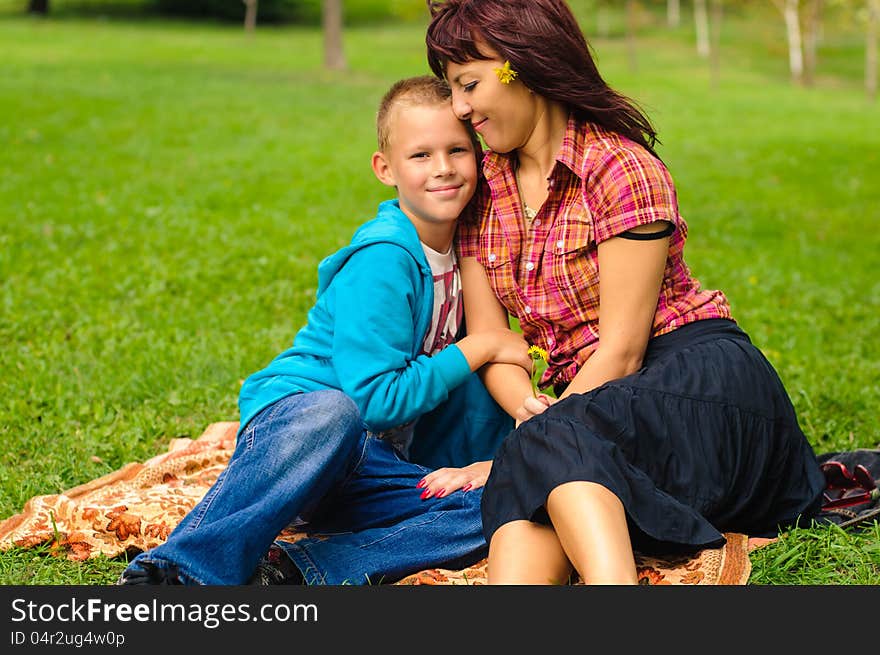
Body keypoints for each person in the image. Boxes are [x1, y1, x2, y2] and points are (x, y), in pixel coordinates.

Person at [420, 0, 826, 584]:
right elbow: (493, 340)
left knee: (541, 446)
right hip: (595, 406)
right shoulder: (482, 190)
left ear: (522, 64)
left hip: (691, 376)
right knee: (535, 467)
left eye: (469, 85)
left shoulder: (617, 168)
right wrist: (527, 412)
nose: (460, 109)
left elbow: (623, 349)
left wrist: (537, 430)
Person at [116, 75, 532, 586]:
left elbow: (464, 397)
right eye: (420, 155)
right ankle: (178, 572)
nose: (442, 168)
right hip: (301, 441)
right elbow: (376, 401)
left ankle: (301, 569)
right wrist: (479, 346)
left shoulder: (468, 256)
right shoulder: (385, 258)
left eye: (457, 151)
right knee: (334, 412)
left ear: (479, 158)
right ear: (386, 169)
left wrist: (489, 463)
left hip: (370, 468)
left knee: (504, 500)